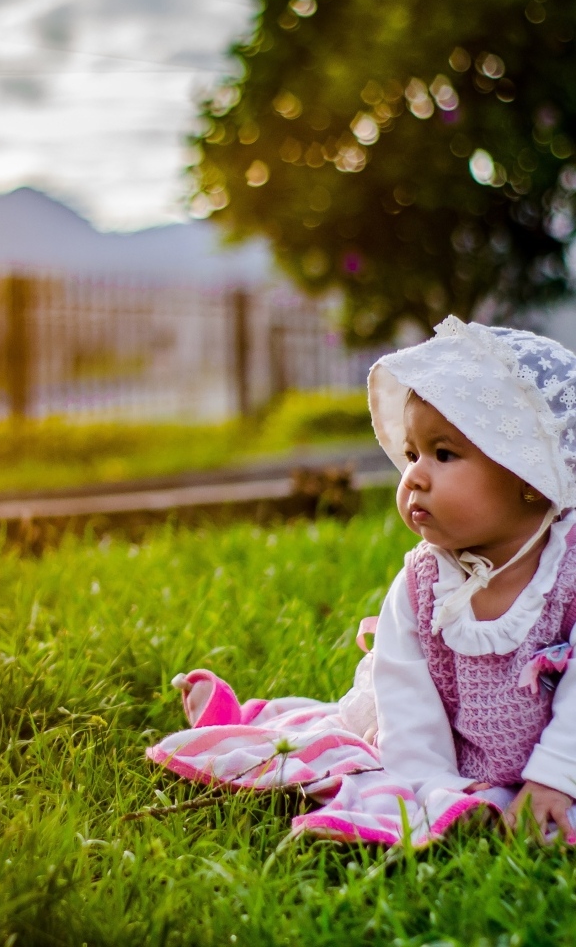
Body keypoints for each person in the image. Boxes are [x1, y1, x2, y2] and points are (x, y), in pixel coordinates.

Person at [147, 316, 576, 846]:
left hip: (563, 758)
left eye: (443, 454)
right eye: (413, 454)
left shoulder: (566, 574)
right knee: (362, 755)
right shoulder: (423, 585)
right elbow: (408, 704)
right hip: (452, 757)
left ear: (530, 478)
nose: (414, 476)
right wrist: (437, 788)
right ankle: (249, 722)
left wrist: (555, 779)